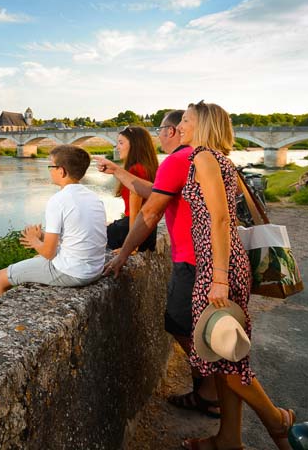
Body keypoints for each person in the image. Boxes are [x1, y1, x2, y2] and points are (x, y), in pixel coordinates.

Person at [177, 101, 294, 450]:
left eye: (185, 120)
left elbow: (220, 219)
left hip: (219, 266)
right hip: (221, 263)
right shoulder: (220, 158)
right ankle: (229, 439)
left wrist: (219, 277)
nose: (180, 125)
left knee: (227, 356)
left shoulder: (204, 157)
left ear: (204, 124)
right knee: (224, 353)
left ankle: (277, 420)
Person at [97, 111, 220, 418]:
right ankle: (207, 392)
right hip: (204, 258)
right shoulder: (203, 158)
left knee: (181, 325)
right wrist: (116, 170)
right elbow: (155, 191)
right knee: (198, 328)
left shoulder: (179, 160)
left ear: (176, 131)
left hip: (193, 260)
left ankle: (219, 393)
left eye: (165, 128)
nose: (162, 134)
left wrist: (123, 254)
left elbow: (150, 213)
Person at [0, 145, 107, 300]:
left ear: (61, 171)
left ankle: (0, 322)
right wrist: (44, 236)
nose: (49, 170)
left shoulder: (58, 200)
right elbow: (77, 235)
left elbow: (48, 253)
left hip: (73, 273)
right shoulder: (94, 197)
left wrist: (33, 240)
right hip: (95, 270)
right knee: (35, 261)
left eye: (51, 166)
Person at [107, 126, 159, 252]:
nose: (117, 147)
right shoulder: (150, 167)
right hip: (148, 232)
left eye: (121, 143)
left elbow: (135, 213)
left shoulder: (135, 170)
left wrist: (131, 246)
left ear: (134, 145)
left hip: (133, 232)